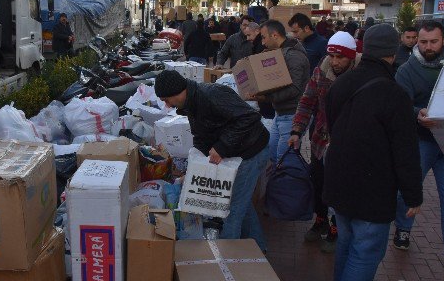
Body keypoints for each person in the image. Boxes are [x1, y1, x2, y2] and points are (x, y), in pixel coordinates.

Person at [324, 23, 423, 281]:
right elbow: (405, 150)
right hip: (373, 185)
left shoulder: (341, 83)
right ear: (392, 54)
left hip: (339, 177)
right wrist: (413, 195)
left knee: (347, 241)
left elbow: (333, 127)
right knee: (366, 249)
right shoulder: (394, 94)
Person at [154, 70, 270, 249]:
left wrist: (222, 147)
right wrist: (195, 167)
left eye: (166, 100)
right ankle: (260, 246)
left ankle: (223, 263)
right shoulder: (191, 103)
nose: (167, 105)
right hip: (237, 152)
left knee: (231, 210)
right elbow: (201, 136)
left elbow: (249, 117)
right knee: (241, 203)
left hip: (251, 151)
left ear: (176, 91)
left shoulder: (211, 94)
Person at [393, 20, 444, 272]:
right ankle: (403, 229)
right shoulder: (406, 70)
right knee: (407, 191)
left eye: (433, 41)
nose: (428, 46)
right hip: (420, 141)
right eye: (423, 42)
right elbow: (400, 105)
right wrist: (416, 113)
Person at [288, 31, 361, 253]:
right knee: (318, 181)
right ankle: (320, 219)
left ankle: (336, 227)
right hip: (321, 138)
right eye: (333, 57)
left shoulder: (361, 74)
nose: (336, 62)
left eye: (341, 57)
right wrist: (296, 130)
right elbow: (307, 101)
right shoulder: (321, 72)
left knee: (340, 186)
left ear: (351, 57)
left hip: (349, 141)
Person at [247, 20, 310, 164]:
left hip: (292, 116)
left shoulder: (294, 56)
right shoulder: (279, 53)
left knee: (285, 160)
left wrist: (265, 97)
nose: (262, 43)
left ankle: (288, 186)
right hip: (280, 114)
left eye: (263, 37)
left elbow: (295, 89)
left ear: (274, 35)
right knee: (273, 156)